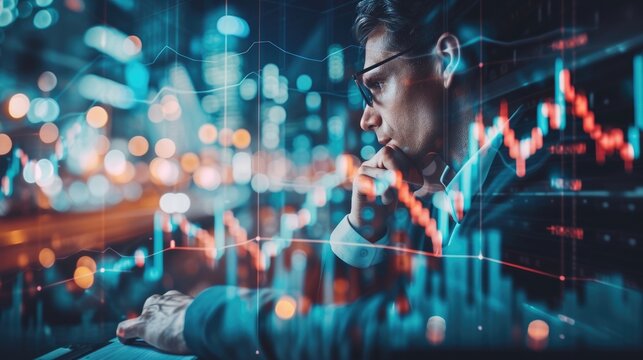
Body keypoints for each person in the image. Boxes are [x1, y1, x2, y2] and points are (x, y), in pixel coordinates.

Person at [117, 0, 532, 357]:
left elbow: (389, 339)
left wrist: (201, 318)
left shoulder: (529, 199)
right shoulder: (478, 192)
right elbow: (348, 315)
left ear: (445, 60)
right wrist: (363, 231)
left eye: (377, 85)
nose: (367, 118)